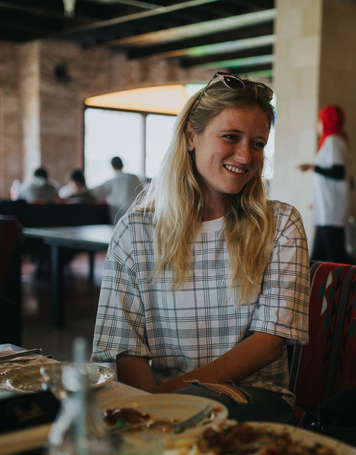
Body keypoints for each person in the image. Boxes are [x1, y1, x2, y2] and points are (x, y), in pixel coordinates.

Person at [91, 72, 309, 423]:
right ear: (191, 136)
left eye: (258, 143)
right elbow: (124, 347)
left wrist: (163, 401)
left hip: (254, 399)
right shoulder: (135, 230)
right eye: (231, 137)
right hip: (160, 400)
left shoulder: (280, 223)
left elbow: (269, 341)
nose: (246, 155)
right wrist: (149, 412)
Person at [298, 104, 352, 264]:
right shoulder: (332, 140)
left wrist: (312, 167)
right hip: (327, 207)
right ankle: (314, 287)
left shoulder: (334, 140)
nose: (318, 125)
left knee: (336, 255)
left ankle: (348, 287)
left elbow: (337, 172)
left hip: (332, 209)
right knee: (318, 256)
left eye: (320, 121)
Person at [92, 156, 144, 223]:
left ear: (112, 167)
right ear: (122, 165)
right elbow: (143, 194)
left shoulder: (112, 181)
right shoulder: (134, 177)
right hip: (135, 215)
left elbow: (96, 192)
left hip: (118, 215)